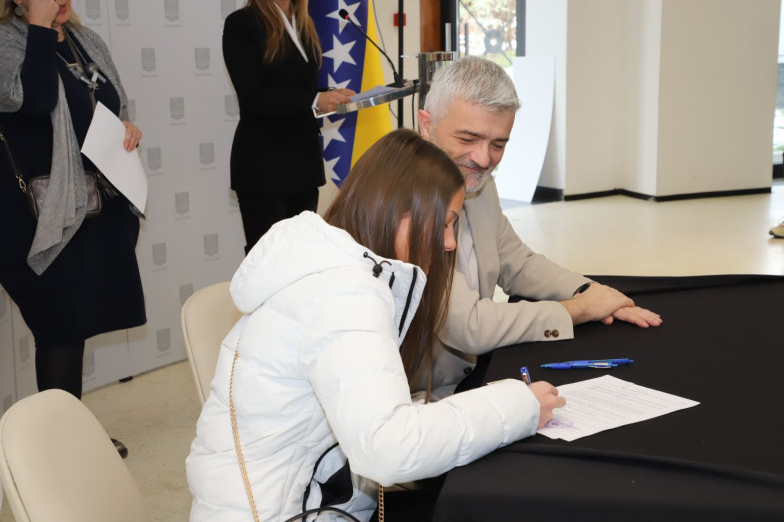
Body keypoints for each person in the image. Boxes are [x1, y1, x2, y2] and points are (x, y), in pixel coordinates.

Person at [186, 129, 566, 521]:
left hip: (307, 499)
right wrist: (517, 406)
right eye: (446, 223)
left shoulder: (335, 270)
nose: (450, 242)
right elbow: (388, 450)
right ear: (400, 211)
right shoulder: (346, 295)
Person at [416, 56, 663, 398]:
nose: (484, 159)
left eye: (498, 144)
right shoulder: (404, 201)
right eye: (468, 138)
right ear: (426, 125)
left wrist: (589, 292)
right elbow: (469, 326)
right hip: (420, 397)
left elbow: (517, 262)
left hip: (469, 378)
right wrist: (580, 309)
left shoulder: (479, 184)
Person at [0, 0, 145, 457]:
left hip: (96, 208)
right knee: (58, 328)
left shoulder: (84, 38)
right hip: (43, 217)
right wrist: (36, 25)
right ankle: (63, 452)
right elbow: (34, 102)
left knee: (76, 324)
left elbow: (109, 105)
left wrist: (125, 128)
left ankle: (72, 435)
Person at [223, 0, 354, 256]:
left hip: (304, 164)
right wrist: (315, 100)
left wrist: (329, 95)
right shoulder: (242, 23)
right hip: (264, 167)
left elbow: (296, 89)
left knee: (302, 258)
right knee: (270, 260)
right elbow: (253, 98)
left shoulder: (303, 22)